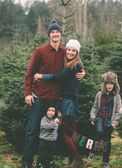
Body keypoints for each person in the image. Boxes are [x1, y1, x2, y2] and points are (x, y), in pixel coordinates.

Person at [22, 21, 85, 168]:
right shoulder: (40, 51)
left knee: (52, 132)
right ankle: (26, 162)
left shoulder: (65, 51)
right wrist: (27, 93)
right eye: (53, 32)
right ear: (49, 35)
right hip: (38, 97)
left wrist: (83, 72)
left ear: (61, 35)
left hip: (55, 99)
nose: (56, 34)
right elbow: (29, 74)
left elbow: (75, 63)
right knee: (32, 130)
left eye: (58, 32)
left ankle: (47, 161)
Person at [34, 39, 84, 168]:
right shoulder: (71, 64)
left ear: (77, 53)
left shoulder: (74, 65)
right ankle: (72, 159)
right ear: (66, 49)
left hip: (68, 102)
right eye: (69, 49)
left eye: (74, 50)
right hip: (69, 100)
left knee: (62, 132)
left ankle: (78, 160)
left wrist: (41, 76)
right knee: (72, 132)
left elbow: (58, 76)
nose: (70, 52)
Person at [85, 71, 121, 168]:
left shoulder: (116, 96)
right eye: (107, 84)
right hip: (100, 118)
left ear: (114, 84)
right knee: (99, 132)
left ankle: (105, 161)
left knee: (107, 141)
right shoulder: (99, 94)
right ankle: (92, 152)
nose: (109, 86)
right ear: (104, 84)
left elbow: (118, 111)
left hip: (110, 120)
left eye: (111, 84)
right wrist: (93, 117)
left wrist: (115, 121)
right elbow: (94, 107)